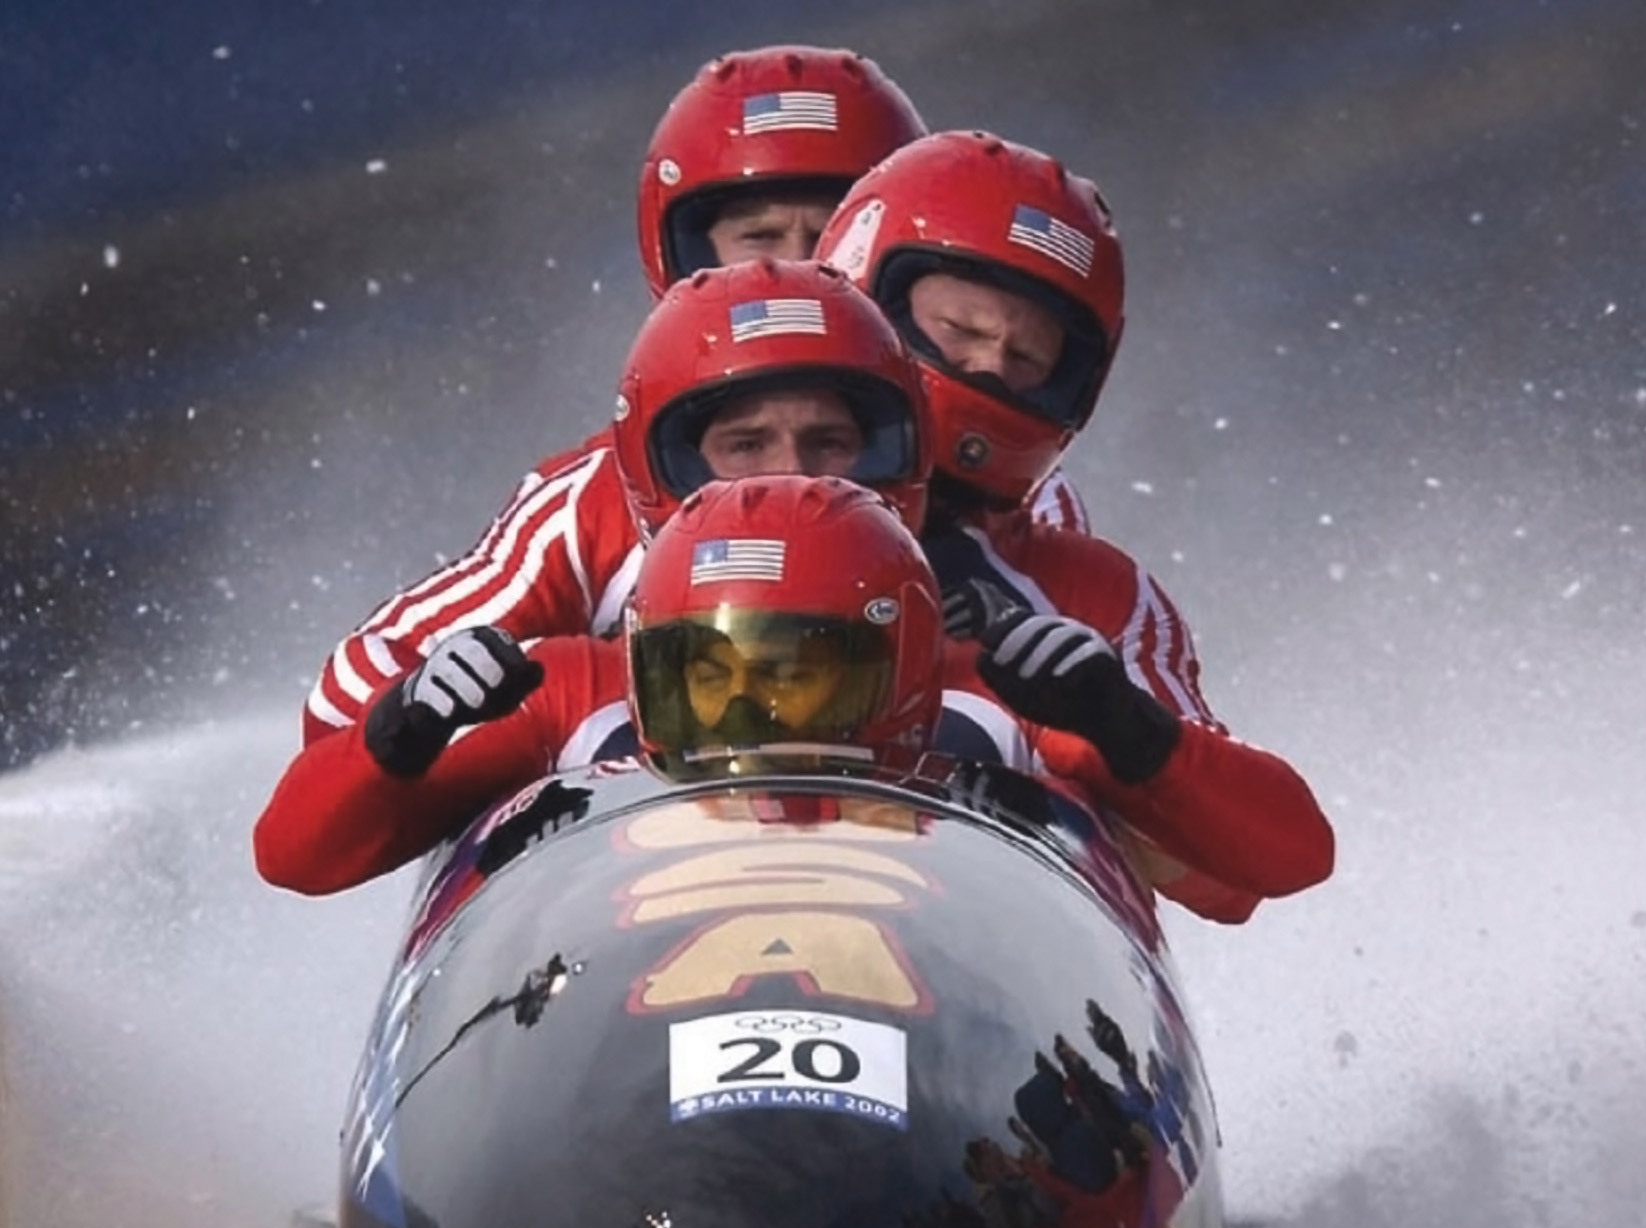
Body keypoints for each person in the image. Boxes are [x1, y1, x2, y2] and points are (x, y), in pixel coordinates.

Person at [298, 49, 1096, 743]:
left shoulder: (1025, 505)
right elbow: (350, 702)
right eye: (759, 238)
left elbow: (1126, 747)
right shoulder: (595, 500)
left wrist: (1017, 656)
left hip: (913, 841)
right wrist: (486, 706)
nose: (803, 270)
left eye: (833, 235)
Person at [253, 474, 1332, 918]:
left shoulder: (1011, 710)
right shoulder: (567, 693)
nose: (748, 709)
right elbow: (295, 856)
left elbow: (1288, 856)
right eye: (706, 671)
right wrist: (398, 734)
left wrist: (1133, 732)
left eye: (798, 667)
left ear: (898, 663)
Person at [817, 131, 1336, 920]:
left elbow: (1259, 869)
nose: (990, 367)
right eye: (960, 328)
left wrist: (1115, 725)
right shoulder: (634, 501)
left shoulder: (1078, 580)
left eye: (1026, 355)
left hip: (962, 948)